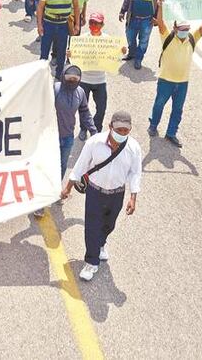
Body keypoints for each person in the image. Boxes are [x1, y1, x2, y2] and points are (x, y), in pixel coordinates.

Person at [61, 111, 142, 282]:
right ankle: (91, 262)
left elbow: (135, 173)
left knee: (109, 224)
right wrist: (68, 187)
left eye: (125, 131)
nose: (122, 134)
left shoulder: (133, 148)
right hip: (95, 193)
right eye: (119, 130)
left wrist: (133, 197)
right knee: (92, 227)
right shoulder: (94, 143)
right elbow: (80, 165)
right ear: (110, 126)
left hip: (116, 194)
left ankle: (101, 244)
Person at [147, 0, 202, 148]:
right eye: (182, 29)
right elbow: (160, 23)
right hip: (166, 80)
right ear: (175, 29)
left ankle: (171, 133)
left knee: (178, 110)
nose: (185, 31)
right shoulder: (167, 36)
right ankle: (153, 125)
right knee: (159, 104)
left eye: (187, 29)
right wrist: (160, 7)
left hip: (183, 82)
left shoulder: (192, 39)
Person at [40, 66, 97, 219]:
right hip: (51, 137)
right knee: (48, 167)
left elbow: (85, 112)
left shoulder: (80, 92)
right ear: (63, 76)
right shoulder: (55, 89)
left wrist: (93, 131)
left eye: (76, 78)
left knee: (62, 166)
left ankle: (53, 191)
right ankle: (40, 203)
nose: (72, 80)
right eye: (69, 77)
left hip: (68, 137)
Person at [76, 13, 125, 134]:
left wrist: (122, 51)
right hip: (84, 80)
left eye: (97, 23)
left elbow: (115, 56)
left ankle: (96, 129)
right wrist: (71, 54)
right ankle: (83, 128)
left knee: (101, 108)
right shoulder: (82, 39)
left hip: (100, 80)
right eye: (92, 23)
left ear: (102, 25)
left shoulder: (108, 40)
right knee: (83, 108)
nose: (94, 25)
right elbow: (75, 57)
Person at [36, 0, 80, 79]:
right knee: (44, 51)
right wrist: (39, 25)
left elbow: (76, 7)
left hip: (64, 25)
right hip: (48, 23)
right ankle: (42, 75)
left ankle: (59, 74)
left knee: (61, 51)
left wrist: (77, 24)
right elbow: (40, 8)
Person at [118, 0, 162, 70]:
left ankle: (138, 59)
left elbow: (160, 4)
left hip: (147, 21)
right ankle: (131, 53)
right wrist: (122, 11)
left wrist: (157, 18)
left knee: (143, 41)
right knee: (130, 37)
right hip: (133, 18)